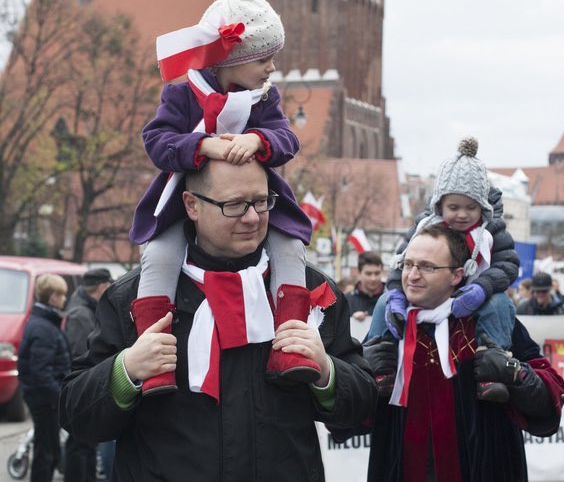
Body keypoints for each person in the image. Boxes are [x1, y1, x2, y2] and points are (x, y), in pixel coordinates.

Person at [59, 159, 377, 482]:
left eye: (262, 201)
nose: (253, 217)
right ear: (192, 205)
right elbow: (76, 415)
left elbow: (362, 409)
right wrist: (125, 371)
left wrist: (327, 371)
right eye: (235, 205)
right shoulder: (132, 298)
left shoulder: (310, 292)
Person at [128, 0, 314, 394]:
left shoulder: (265, 99)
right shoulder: (181, 95)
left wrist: (259, 140)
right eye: (264, 59)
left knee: (291, 250)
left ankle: (291, 345)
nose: (272, 68)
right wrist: (202, 146)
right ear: (233, 60)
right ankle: (154, 357)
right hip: (185, 201)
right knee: (159, 256)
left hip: (255, 202)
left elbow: (287, 140)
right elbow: (156, 142)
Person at [363, 225, 564, 481]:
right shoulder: (390, 324)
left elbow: (550, 401)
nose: (412, 275)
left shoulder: (489, 321)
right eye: (407, 264)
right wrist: (362, 379)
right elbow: (347, 422)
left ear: (457, 275)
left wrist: (515, 374)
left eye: (427, 266)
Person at [368, 137, 520, 402]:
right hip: (431, 297)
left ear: (482, 207)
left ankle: (492, 369)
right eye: (453, 207)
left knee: (500, 304)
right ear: (440, 205)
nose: (462, 214)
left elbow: (508, 265)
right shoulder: (424, 228)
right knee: (383, 302)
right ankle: (379, 365)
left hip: (473, 298)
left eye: (470, 207)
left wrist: (481, 289)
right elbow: (400, 262)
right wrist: (395, 292)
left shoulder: (492, 230)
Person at [62, 268, 114, 482]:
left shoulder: (86, 309)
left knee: (87, 445)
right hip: (83, 391)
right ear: (102, 286)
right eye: (110, 285)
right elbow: (81, 359)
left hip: (87, 390)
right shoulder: (80, 314)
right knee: (79, 446)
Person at [19, 274, 71, 482]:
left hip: (44, 398)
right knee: (46, 453)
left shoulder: (43, 322)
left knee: (48, 449)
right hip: (46, 400)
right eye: (62, 295)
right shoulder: (44, 327)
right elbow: (41, 371)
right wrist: (60, 397)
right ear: (52, 297)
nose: (65, 299)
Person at [347, 251, 385, 321]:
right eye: (368, 274)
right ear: (359, 273)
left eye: (377, 273)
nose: (373, 278)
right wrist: (351, 320)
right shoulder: (347, 301)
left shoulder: (390, 298)